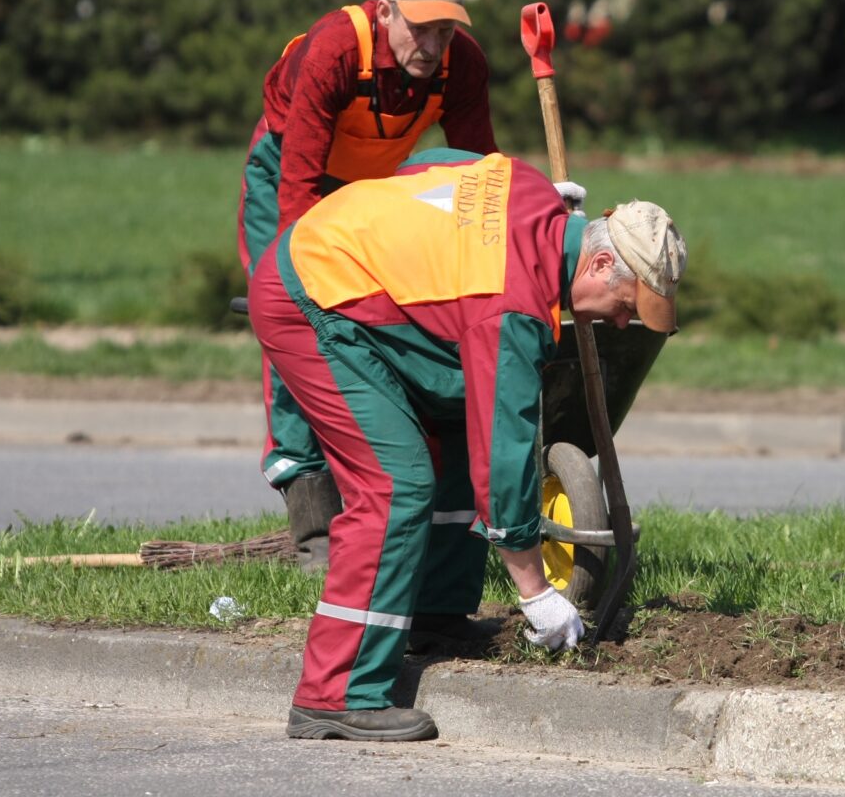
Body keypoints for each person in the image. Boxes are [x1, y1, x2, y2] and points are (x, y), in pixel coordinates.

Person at [247, 147, 686, 741]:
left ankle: (435, 613)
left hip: (364, 284)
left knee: (453, 418)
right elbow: (503, 457)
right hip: (314, 297)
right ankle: (336, 691)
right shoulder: (512, 307)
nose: (615, 323)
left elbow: (430, 162)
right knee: (394, 485)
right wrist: (536, 592)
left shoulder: (528, 188)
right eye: (624, 306)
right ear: (599, 261)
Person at [235, 0, 504, 574]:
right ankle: (309, 512)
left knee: (383, 318)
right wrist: (303, 280)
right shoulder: (336, 48)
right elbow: (300, 181)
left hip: (371, 189)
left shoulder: (461, 66)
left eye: (446, 29)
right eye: (420, 26)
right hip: (287, 170)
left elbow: (477, 175)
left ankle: (395, 489)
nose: (434, 44)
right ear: (385, 12)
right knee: (292, 320)